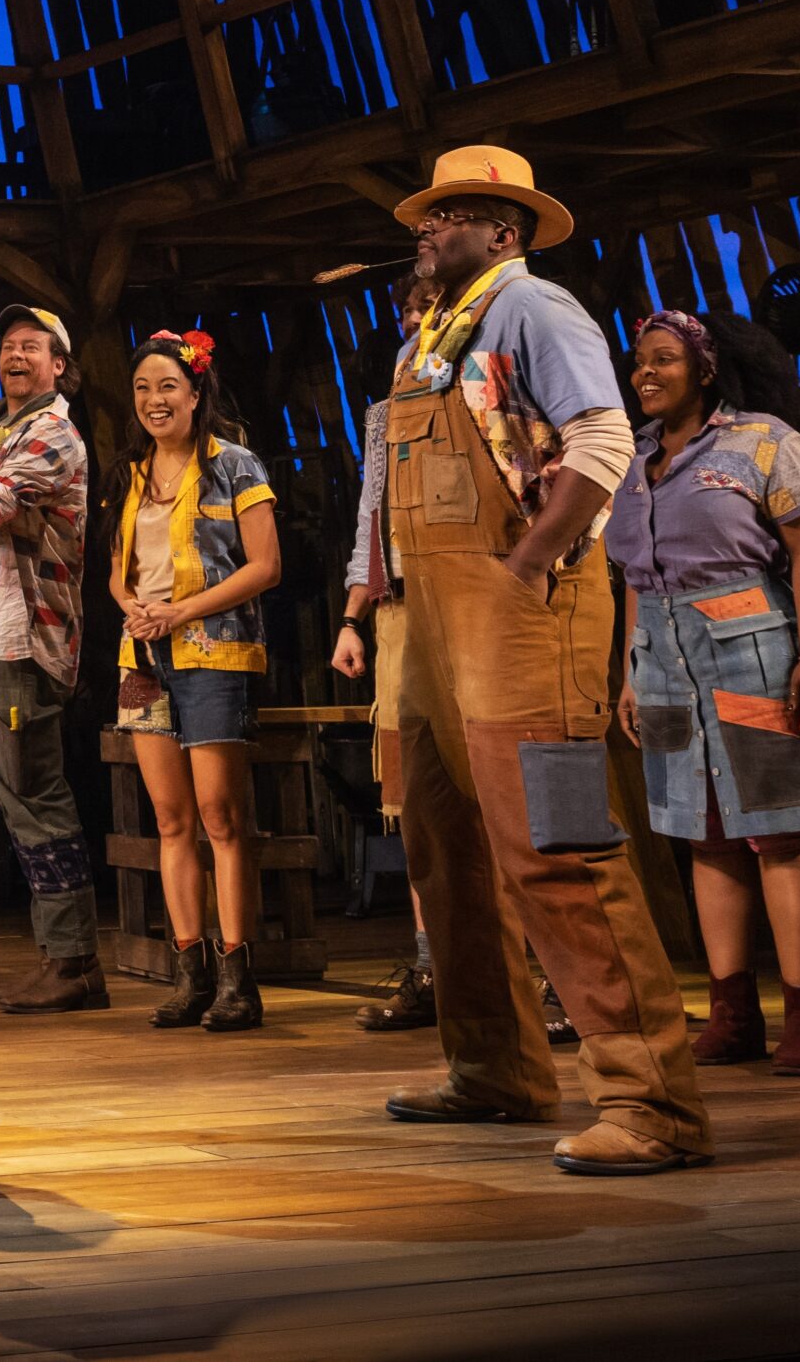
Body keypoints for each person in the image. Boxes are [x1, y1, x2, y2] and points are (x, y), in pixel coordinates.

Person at [378, 144, 711, 1175]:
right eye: (426, 216)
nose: (427, 230)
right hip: (430, 619)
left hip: (521, 607)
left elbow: (602, 440)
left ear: (504, 231)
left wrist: (530, 561)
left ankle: (651, 1103)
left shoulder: (535, 308)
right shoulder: (433, 333)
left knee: (556, 852)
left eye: (453, 215)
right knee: (441, 842)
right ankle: (495, 1069)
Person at [609, 310, 800, 1075]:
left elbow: (799, 548)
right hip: (661, 661)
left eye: (664, 360)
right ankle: (731, 1012)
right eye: (639, 362)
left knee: (780, 833)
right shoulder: (636, 459)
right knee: (704, 833)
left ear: (706, 370)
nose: (645, 374)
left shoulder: (763, 441)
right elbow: (632, 573)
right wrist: (629, 664)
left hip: (749, 649)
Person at [108, 330, 282, 1033]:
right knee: (170, 819)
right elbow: (118, 572)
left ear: (196, 392)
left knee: (222, 817)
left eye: (168, 387)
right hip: (143, 659)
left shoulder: (235, 465)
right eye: (144, 388)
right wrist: (134, 609)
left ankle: (241, 977)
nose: (155, 400)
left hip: (215, 651)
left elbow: (264, 565)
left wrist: (181, 610)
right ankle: (192, 970)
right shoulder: (131, 472)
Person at [0, 305, 100, 1013]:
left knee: (35, 791)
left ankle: (72, 960)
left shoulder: (51, 433)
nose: (15, 355)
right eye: (7, 344)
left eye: (31, 346)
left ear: (58, 364)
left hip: (24, 636)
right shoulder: (1, 430)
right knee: (16, 796)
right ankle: (59, 956)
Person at [331, 274, 442, 1034]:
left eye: (428, 308)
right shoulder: (383, 416)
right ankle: (436, 965)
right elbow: (373, 511)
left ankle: (547, 978)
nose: (414, 322)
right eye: (407, 311)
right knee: (414, 799)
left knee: (503, 794)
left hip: (470, 600)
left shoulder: (484, 394)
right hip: (399, 608)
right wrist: (351, 614)